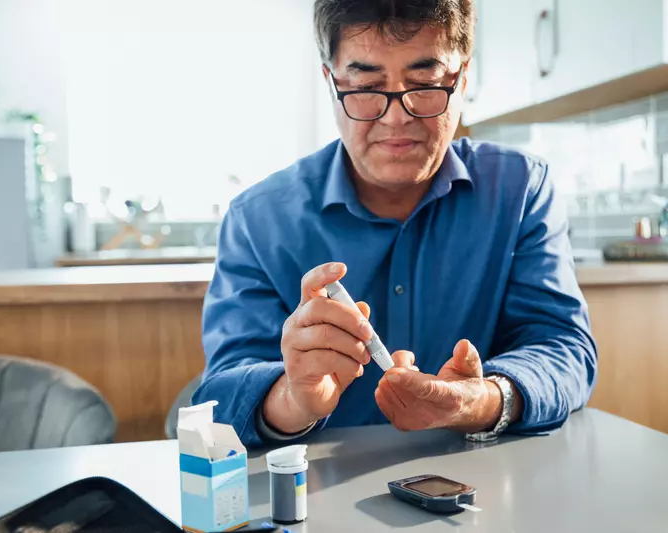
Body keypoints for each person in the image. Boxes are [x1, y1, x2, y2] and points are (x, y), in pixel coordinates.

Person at [193, 0, 597, 449]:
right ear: (331, 82)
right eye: (366, 85)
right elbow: (220, 395)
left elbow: (565, 350)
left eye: (424, 83)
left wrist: (479, 400)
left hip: (480, 483)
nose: (396, 115)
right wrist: (293, 398)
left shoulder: (520, 190)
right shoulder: (257, 219)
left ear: (462, 77)